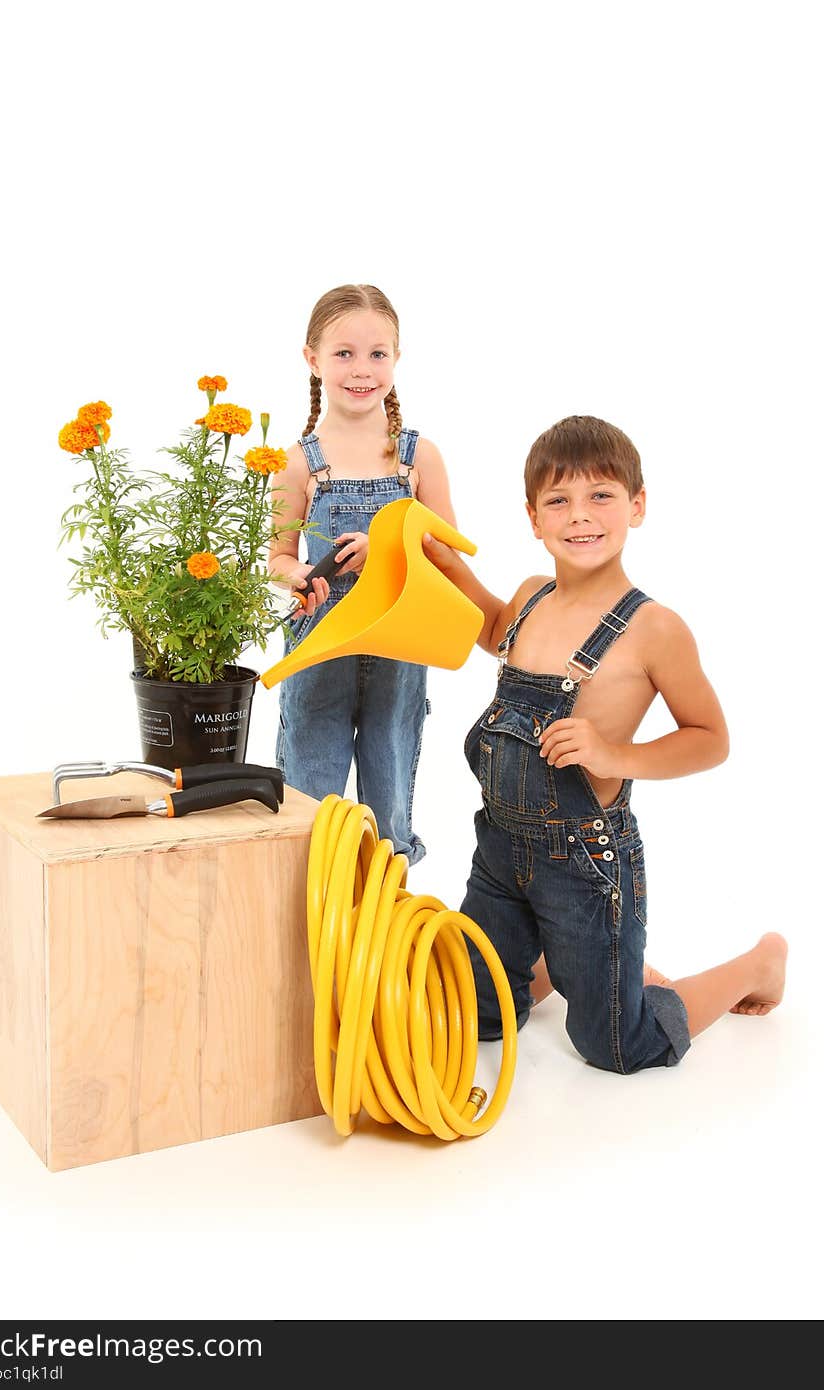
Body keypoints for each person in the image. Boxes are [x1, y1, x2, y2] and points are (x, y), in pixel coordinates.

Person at [422, 414, 787, 1073]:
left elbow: (712, 739)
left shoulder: (654, 628)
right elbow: (493, 630)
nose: (579, 516)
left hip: (585, 859)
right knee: (472, 1015)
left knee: (619, 1045)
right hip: (500, 845)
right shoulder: (531, 597)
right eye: (558, 500)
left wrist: (615, 756)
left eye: (600, 496)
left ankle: (757, 963)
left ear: (636, 506)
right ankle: (552, 957)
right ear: (533, 518)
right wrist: (445, 563)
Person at [268, 283, 456, 865]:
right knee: (312, 803)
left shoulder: (416, 457)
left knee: (388, 804)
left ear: (396, 360)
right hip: (321, 644)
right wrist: (298, 575)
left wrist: (388, 548)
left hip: (398, 647)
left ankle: (387, 933)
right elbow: (277, 558)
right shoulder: (299, 461)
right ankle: (314, 933)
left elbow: (449, 553)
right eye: (344, 353)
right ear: (312, 359)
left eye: (377, 354)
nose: (361, 370)